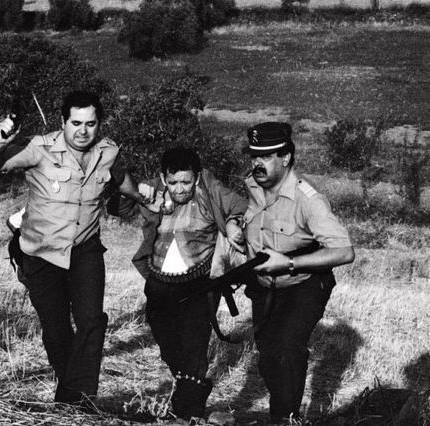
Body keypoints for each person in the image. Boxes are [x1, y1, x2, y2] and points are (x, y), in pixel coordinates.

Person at [0, 91, 142, 406]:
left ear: (99, 124)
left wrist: (144, 197)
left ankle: (78, 401)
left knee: (93, 321)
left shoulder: (108, 152)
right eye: (76, 123)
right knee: (57, 333)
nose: (83, 131)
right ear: (63, 122)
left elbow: (121, 180)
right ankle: (72, 396)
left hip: (85, 250)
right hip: (40, 252)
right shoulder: (39, 148)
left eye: (91, 124)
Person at [242, 122, 355, 424]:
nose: (257, 164)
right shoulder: (252, 186)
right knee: (268, 356)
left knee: (287, 347)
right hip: (265, 285)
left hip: (304, 282)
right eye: (254, 156)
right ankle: (284, 411)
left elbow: (344, 251)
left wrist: (290, 264)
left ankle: (286, 419)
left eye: (266, 157)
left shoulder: (309, 200)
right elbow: (242, 216)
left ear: (286, 158)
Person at [134, 147, 248, 423]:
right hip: (159, 280)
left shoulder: (210, 191)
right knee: (167, 341)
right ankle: (192, 387)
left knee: (194, 342)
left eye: (186, 182)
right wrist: (138, 191)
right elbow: (119, 203)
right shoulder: (155, 192)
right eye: (173, 182)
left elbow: (243, 206)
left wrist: (234, 223)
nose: (180, 189)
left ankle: (186, 409)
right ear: (163, 177)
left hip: (199, 281)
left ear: (196, 178)